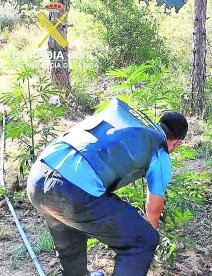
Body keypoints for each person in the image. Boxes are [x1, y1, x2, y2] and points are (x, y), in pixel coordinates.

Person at [27, 98, 188, 276]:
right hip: (71, 191)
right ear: (176, 142)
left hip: (38, 177)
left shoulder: (128, 125)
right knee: (143, 240)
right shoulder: (159, 150)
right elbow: (153, 214)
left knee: (69, 239)